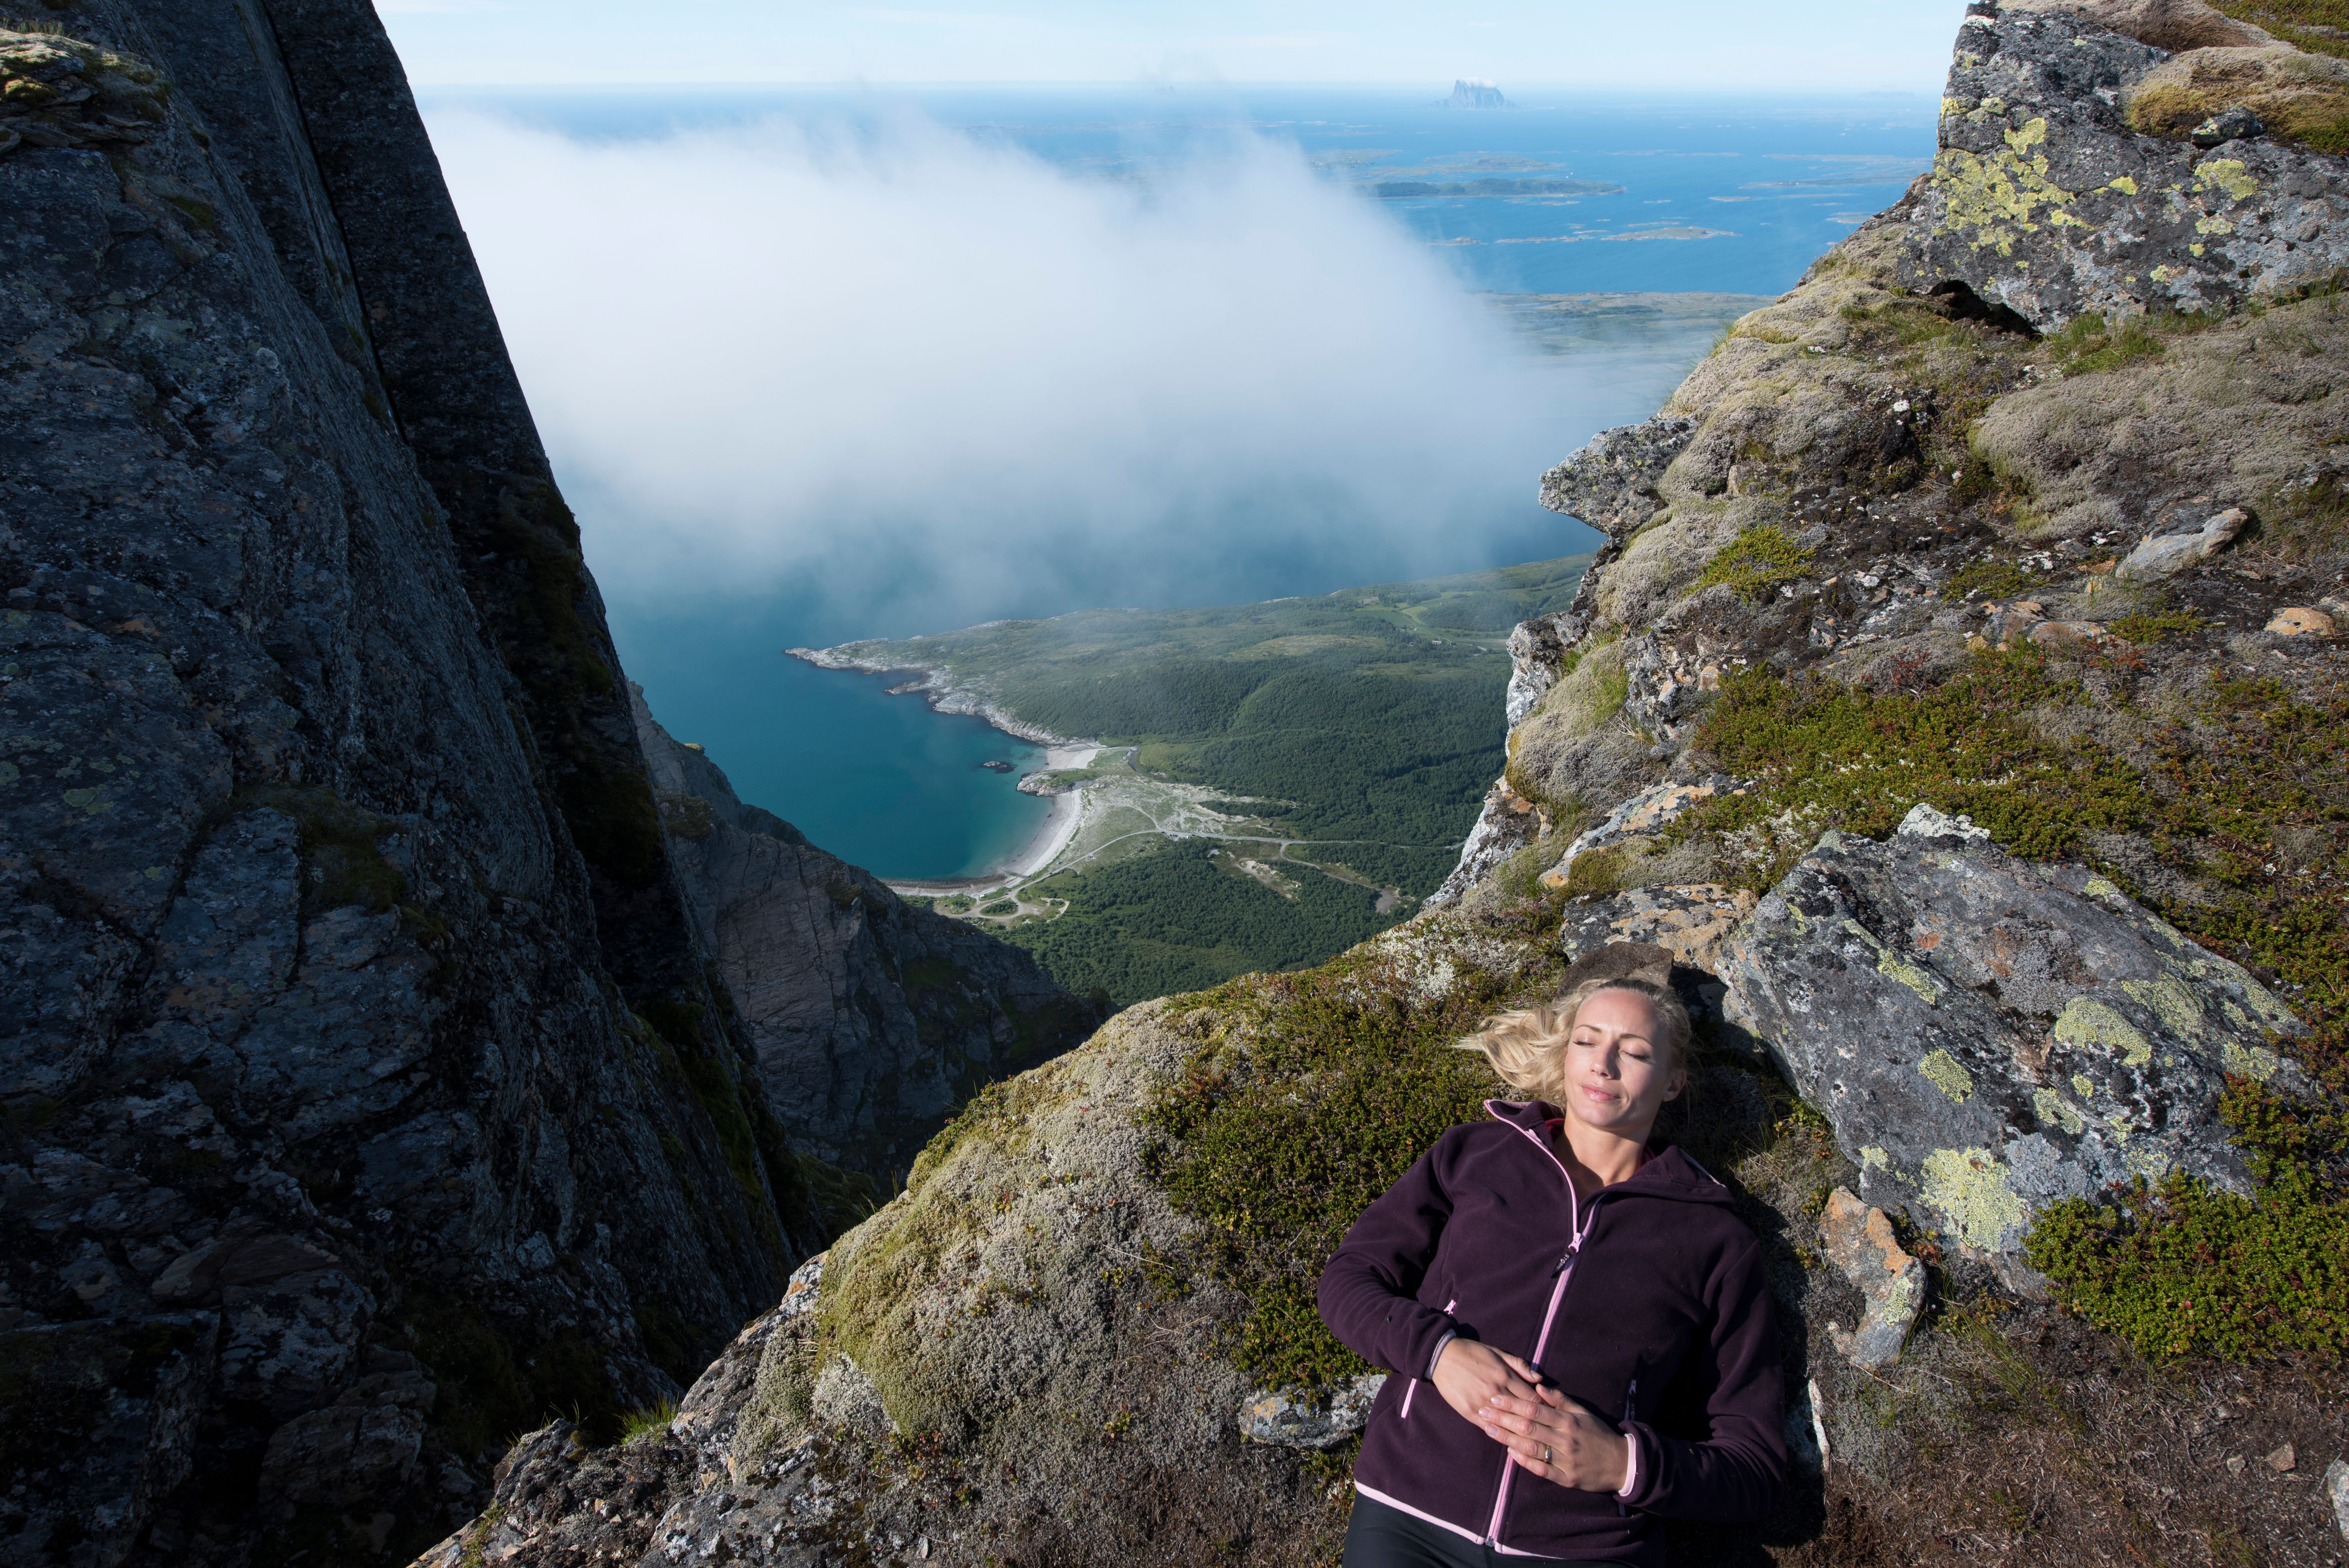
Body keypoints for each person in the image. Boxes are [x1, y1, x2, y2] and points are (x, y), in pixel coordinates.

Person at [1316, 943, 1784, 1568]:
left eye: (1636, 1051)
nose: (1605, 1065)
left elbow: (1753, 1466)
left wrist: (1625, 1463)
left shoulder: (1714, 1238)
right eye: (1588, 1041)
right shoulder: (1475, 1155)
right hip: (1407, 1516)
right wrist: (1440, 1354)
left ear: (1674, 1081)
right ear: (1565, 1053)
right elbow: (1349, 1281)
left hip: (1585, 1549)